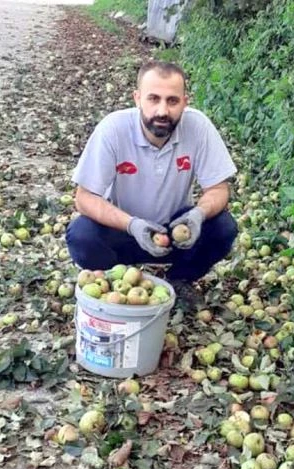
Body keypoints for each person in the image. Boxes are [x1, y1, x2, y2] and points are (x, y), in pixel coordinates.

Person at [65, 60, 238, 307]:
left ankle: (180, 279)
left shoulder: (198, 127)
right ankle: (114, 284)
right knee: (82, 234)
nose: (162, 111)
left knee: (224, 227)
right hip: (125, 231)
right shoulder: (113, 129)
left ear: (185, 102)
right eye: (153, 99)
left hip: (176, 234)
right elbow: (83, 197)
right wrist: (132, 225)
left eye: (172, 101)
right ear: (137, 99)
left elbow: (219, 189)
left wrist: (198, 215)